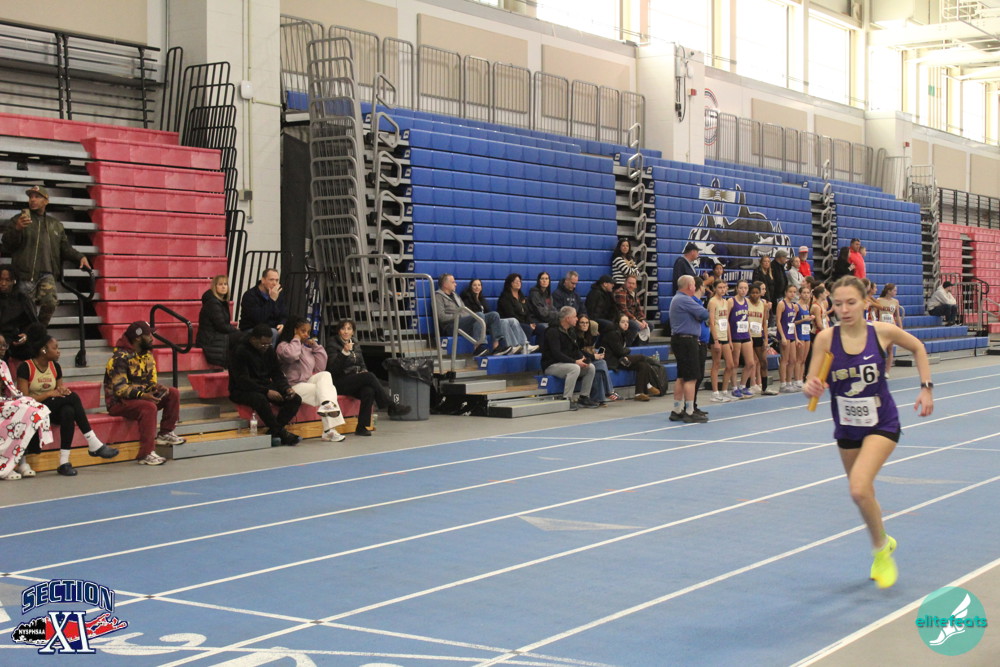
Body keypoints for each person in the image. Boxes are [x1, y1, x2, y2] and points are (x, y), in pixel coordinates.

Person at [803, 276, 934, 589]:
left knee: (859, 489)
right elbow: (811, 382)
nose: (845, 309)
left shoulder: (882, 332)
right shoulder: (826, 339)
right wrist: (811, 387)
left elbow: (918, 347)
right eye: (838, 304)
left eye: (851, 302)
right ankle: (884, 541)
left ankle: (880, 553)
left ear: (864, 303)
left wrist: (926, 388)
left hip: (881, 423)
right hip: (847, 426)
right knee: (863, 494)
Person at [17, 335, 118, 476]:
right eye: (55, 348)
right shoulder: (26, 367)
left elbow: (59, 391)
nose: (58, 351)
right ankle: (93, 442)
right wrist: (49, 394)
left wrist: (62, 391)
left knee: (68, 411)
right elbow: (24, 399)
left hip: (50, 409)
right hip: (33, 409)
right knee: (73, 398)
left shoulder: (55, 367)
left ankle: (64, 462)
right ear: (43, 350)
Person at [2, 186, 92, 327]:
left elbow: (65, 247)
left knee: (50, 303)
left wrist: (80, 257)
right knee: (24, 311)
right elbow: (7, 244)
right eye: (31, 197)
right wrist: (17, 229)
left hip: (47, 273)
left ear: (46, 201)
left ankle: (38, 331)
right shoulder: (17, 220)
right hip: (24, 273)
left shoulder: (55, 225)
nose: (32, 200)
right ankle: (28, 335)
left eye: (37, 197)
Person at [104, 321, 185, 466]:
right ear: (138, 338)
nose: (152, 338)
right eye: (148, 335)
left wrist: (155, 388)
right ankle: (145, 454)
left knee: (172, 393)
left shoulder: (147, 356)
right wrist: (143, 395)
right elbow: (120, 389)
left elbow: (150, 382)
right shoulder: (119, 358)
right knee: (149, 407)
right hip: (118, 403)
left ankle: (165, 433)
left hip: (139, 398)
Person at [327, 319, 410, 436]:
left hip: (355, 379)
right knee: (369, 376)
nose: (346, 331)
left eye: (349, 329)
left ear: (353, 332)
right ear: (339, 331)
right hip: (339, 381)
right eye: (343, 328)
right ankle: (391, 405)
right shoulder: (332, 343)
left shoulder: (355, 342)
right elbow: (333, 369)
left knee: (368, 391)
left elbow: (361, 363)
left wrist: (363, 370)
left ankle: (361, 427)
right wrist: (344, 352)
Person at [229, 323, 302, 447]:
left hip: (264, 385)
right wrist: (266, 391)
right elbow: (242, 380)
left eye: (269, 344)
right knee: (260, 399)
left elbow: (277, 373)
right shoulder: (240, 351)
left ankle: (274, 432)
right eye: (263, 344)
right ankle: (282, 434)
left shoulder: (268, 350)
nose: (265, 347)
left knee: (295, 399)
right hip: (241, 389)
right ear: (253, 339)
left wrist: (286, 388)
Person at [276, 316, 346, 442]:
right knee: (327, 391)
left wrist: (315, 347)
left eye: (308, 332)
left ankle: (327, 405)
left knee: (325, 375)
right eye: (303, 331)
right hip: (292, 386)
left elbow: (320, 368)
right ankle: (329, 431)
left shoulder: (306, 348)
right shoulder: (283, 346)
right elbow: (292, 356)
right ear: (294, 330)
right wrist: (296, 339)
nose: (307, 335)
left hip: (307, 381)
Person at [0, 338, 53, 481]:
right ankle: (6, 465)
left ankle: (22, 461)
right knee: (15, 414)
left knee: (30, 409)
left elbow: (10, 390)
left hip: (4, 403)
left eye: (4, 345)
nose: (3, 348)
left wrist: (19, 399)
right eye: (0, 346)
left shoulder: (3, 364)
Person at [435, 273, 509, 357]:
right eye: (453, 282)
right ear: (445, 284)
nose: (455, 284)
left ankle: (497, 347)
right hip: (451, 326)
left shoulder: (455, 295)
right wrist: (459, 316)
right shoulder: (438, 297)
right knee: (479, 315)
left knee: (494, 315)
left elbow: (465, 310)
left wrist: (469, 316)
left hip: (463, 323)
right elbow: (441, 317)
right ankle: (479, 347)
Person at [668, 275, 709, 423]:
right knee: (691, 377)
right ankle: (690, 411)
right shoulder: (685, 299)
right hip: (687, 341)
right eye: (693, 284)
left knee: (681, 376)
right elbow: (704, 314)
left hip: (679, 339)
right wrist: (697, 316)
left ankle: (677, 409)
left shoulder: (677, 298)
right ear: (689, 286)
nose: (695, 287)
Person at [541, 306, 598, 410]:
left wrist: (582, 358)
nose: (577, 319)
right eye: (575, 316)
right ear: (567, 318)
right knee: (574, 368)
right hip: (552, 365)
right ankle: (567, 398)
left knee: (590, 367)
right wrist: (575, 362)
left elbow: (575, 350)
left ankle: (584, 397)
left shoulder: (571, 331)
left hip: (566, 363)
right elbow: (556, 353)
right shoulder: (552, 331)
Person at [602, 313, 663, 402]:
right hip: (612, 361)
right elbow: (620, 351)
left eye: (627, 322)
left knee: (643, 365)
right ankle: (649, 381)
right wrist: (627, 350)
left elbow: (622, 351)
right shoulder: (612, 333)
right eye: (623, 322)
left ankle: (639, 393)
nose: (626, 324)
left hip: (621, 359)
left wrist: (625, 351)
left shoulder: (623, 333)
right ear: (617, 323)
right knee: (641, 357)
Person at [462, 278, 530, 354]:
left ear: (481, 287)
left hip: (486, 323)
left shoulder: (482, 300)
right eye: (474, 285)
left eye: (479, 285)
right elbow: (470, 316)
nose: (477, 287)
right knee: (502, 322)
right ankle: (512, 346)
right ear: (470, 287)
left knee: (512, 320)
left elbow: (488, 313)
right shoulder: (467, 300)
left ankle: (524, 345)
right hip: (476, 324)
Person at [196, 275, 240, 368]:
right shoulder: (213, 303)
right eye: (220, 284)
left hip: (216, 335)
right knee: (242, 337)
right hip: (210, 339)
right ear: (214, 287)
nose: (224, 287)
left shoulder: (221, 302)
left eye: (225, 284)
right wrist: (237, 331)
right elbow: (221, 326)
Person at [574, 314, 614, 405]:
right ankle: (609, 391)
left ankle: (598, 399)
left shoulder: (588, 335)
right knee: (602, 363)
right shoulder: (575, 336)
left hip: (587, 360)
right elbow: (578, 352)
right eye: (582, 323)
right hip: (578, 362)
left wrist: (594, 354)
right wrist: (593, 356)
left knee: (598, 371)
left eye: (587, 323)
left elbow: (586, 352)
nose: (585, 325)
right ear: (577, 324)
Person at [0, 268, 39, 361]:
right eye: (0, 279)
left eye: (7, 280)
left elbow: (33, 323)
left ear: (14, 281)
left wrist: (26, 335)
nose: (3, 283)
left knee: (39, 347)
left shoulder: (22, 299)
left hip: (14, 337)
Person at [496, 273, 542, 351]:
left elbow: (528, 312)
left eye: (520, 281)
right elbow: (510, 314)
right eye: (516, 281)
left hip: (524, 322)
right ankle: (524, 348)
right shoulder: (505, 297)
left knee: (541, 328)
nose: (518, 283)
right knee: (527, 328)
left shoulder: (522, 296)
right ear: (510, 283)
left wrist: (530, 322)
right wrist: (527, 324)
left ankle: (541, 351)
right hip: (511, 322)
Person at [707, 280, 736, 402]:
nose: (723, 290)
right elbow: (711, 322)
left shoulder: (726, 302)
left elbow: (727, 321)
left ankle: (724, 391)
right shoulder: (712, 302)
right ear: (715, 288)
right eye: (720, 287)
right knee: (716, 364)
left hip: (725, 336)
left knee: (730, 364)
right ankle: (715, 393)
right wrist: (715, 340)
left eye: (724, 287)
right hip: (716, 336)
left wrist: (730, 340)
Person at [238, 268, 288, 336]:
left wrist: (282, 324)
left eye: (277, 280)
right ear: (263, 280)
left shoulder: (278, 294)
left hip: (272, 327)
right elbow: (259, 319)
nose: (274, 283)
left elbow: (283, 314)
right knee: (272, 332)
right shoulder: (250, 295)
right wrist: (272, 300)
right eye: (271, 280)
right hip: (252, 329)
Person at [728, 280, 755, 399]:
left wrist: (750, 335)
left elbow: (747, 319)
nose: (743, 290)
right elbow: (727, 320)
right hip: (735, 336)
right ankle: (734, 387)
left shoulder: (747, 301)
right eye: (741, 288)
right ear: (737, 289)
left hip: (745, 335)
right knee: (735, 363)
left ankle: (743, 385)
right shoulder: (731, 301)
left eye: (745, 288)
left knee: (750, 363)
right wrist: (729, 338)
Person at [776, 284, 800, 393]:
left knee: (793, 360)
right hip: (784, 334)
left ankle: (789, 382)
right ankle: (783, 383)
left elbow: (793, 322)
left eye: (794, 292)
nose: (792, 294)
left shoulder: (794, 306)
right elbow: (778, 321)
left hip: (791, 334)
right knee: (784, 360)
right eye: (790, 291)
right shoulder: (782, 304)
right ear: (786, 292)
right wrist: (782, 336)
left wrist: (796, 338)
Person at [614, 275, 650, 342]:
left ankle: (638, 345)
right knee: (636, 325)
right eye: (629, 283)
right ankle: (627, 344)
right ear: (625, 283)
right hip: (622, 317)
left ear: (635, 285)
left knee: (649, 325)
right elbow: (624, 310)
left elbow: (639, 309)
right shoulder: (620, 292)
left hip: (633, 318)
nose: (631, 285)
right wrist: (637, 321)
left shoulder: (634, 294)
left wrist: (642, 320)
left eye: (633, 283)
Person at [877, 283, 902, 376]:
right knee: (880, 349)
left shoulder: (895, 302)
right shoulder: (879, 300)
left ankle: (887, 371)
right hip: (881, 326)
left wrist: (900, 327)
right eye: (894, 290)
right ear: (889, 291)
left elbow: (897, 316)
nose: (896, 292)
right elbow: (875, 313)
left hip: (891, 326)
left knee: (890, 349)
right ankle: (879, 368)